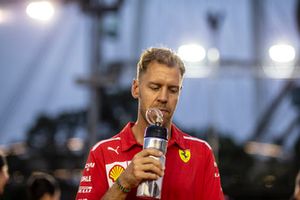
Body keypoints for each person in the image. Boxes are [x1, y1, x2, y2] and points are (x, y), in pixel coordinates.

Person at [76, 47, 224, 200]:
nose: (163, 97)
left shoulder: (201, 153)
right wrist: (124, 182)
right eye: (155, 87)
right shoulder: (103, 152)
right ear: (136, 88)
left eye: (173, 90)